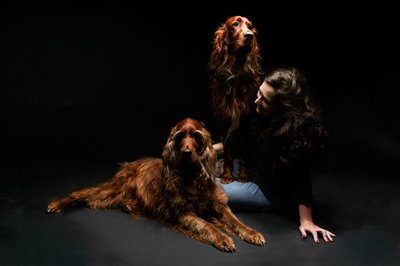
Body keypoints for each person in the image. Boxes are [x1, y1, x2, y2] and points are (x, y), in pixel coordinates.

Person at [213, 67, 336, 243]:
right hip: (247, 170)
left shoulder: (294, 135)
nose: (257, 100)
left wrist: (307, 220)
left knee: (203, 188)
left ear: (282, 109)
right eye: (260, 92)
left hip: (266, 191)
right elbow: (241, 143)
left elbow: (301, 178)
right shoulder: (262, 115)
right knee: (195, 168)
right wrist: (207, 150)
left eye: (265, 100)